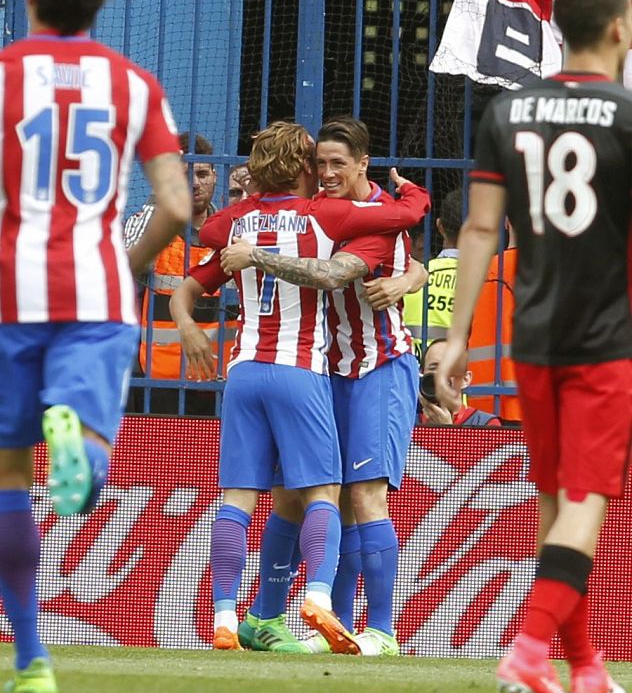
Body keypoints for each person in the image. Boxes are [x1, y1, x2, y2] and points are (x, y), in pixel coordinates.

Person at [0, 0, 190, 693]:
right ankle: (83, 450)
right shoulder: (133, 85)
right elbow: (176, 204)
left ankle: (31, 659)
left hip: (12, 291)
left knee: (10, 474)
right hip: (95, 290)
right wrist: (127, 265)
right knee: (82, 443)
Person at [435, 0, 632, 693]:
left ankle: (585, 668)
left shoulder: (508, 110)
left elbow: (480, 229)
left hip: (535, 334)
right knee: (587, 504)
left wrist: (456, 337)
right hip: (607, 336)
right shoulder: (627, 116)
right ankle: (527, 648)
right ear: (619, 29)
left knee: (553, 504)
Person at [169, 120, 430, 654]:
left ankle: (379, 629)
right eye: (320, 163)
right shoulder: (322, 213)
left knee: (360, 494)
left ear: (363, 164)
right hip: (316, 371)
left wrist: (410, 275)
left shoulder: (361, 214)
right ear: (304, 168)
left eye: (338, 164)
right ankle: (271, 616)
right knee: (297, 496)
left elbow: (342, 270)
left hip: (375, 365)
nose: (327, 173)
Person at [124, 131, 236, 415]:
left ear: (215, 175)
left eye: (202, 174)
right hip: (159, 382)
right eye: (185, 175)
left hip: (223, 381)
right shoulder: (151, 229)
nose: (195, 183)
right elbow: (125, 267)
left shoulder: (233, 231)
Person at [468, 221, 522, 423]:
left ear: (506, 222)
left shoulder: (480, 270)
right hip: (534, 397)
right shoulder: (548, 272)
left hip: (484, 401)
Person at [403, 187, 463, 345]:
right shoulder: (486, 280)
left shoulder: (409, 276)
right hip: (459, 360)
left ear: (439, 226)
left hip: (411, 358)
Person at [419, 339, 500, 427]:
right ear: (422, 374)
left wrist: (446, 428)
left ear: (465, 379)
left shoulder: (486, 424)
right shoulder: (409, 420)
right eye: (433, 368)